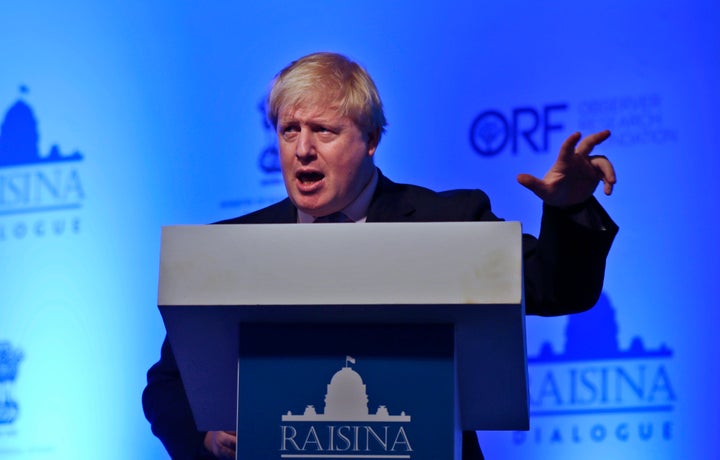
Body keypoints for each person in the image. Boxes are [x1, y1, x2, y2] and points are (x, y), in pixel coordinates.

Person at [142, 52, 618, 460]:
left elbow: (557, 288)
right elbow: (168, 386)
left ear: (370, 140)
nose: (302, 149)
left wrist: (571, 207)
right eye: (289, 131)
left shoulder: (448, 221)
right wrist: (206, 437)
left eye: (323, 131)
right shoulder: (232, 248)